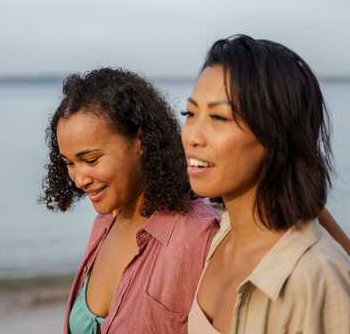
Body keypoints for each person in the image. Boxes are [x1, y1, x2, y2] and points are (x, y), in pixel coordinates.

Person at [182, 35, 350, 333]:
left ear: (276, 137)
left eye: (218, 117)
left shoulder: (312, 280)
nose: (192, 135)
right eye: (190, 113)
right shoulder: (223, 237)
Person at [40, 68, 221, 333]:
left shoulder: (200, 236)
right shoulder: (103, 224)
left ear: (140, 141)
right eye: (69, 163)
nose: (78, 180)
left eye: (91, 160)